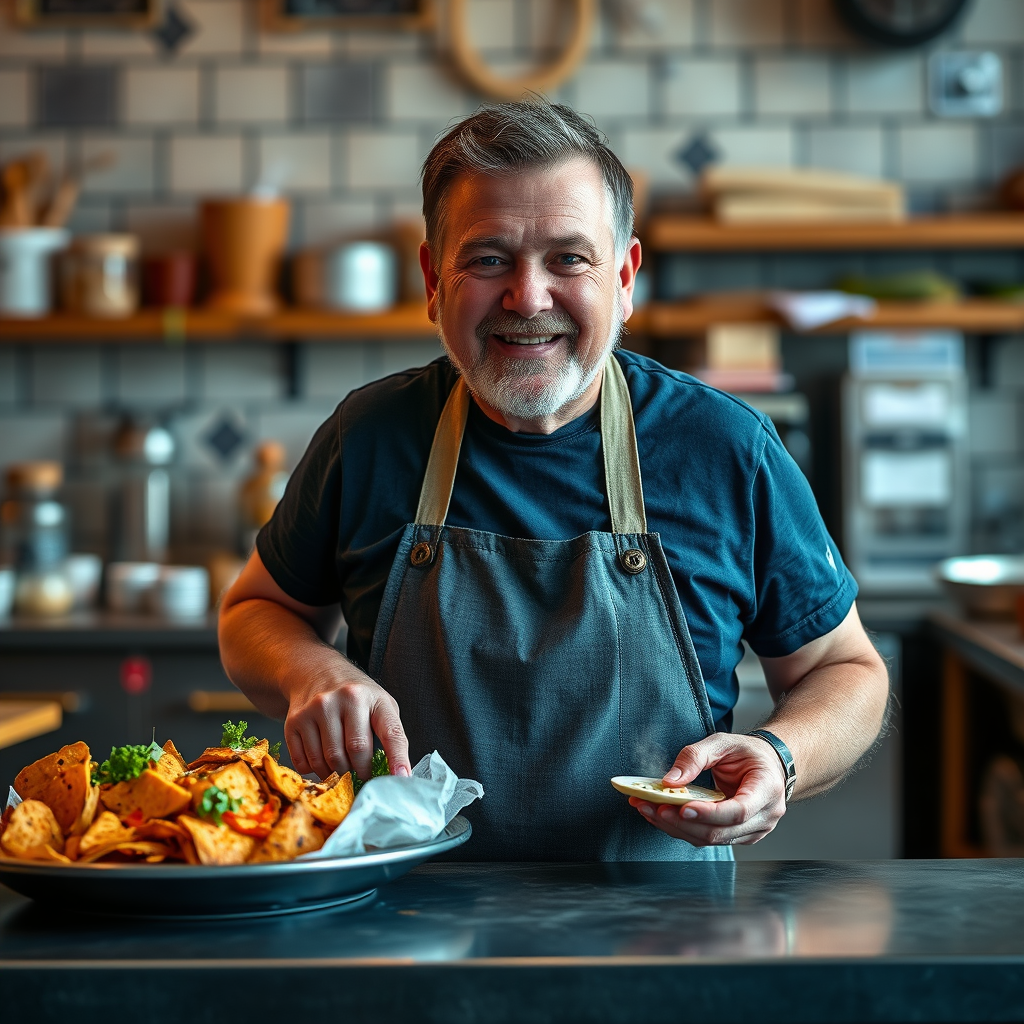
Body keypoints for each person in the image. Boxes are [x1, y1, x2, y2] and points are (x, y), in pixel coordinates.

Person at [219, 101, 889, 861]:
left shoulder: (725, 447)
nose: (528, 298)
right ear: (434, 279)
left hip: (667, 941)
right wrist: (311, 669)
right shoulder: (369, 436)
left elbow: (846, 669)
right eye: (488, 259)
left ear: (626, 277)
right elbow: (254, 611)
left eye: (569, 259)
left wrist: (781, 756)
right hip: (407, 932)